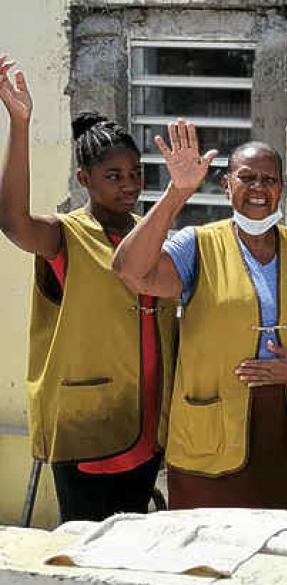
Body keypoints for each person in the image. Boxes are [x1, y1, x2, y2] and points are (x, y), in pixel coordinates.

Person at [112, 122, 287, 511]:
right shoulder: (198, 244)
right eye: (247, 177)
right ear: (226, 186)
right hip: (213, 435)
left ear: (282, 190)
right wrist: (178, 192)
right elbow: (131, 272)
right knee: (210, 555)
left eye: (269, 179)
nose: (259, 187)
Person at [0, 56, 175, 523]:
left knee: (135, 549)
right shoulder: (66, 235)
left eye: (135, 173)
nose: (129, 185)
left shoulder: (148, 235)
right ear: (85, 180)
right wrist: (20, 124)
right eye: (114, 176)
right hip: (88, 427)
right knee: (84, 551)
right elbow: (13, 222)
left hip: (149, 424)